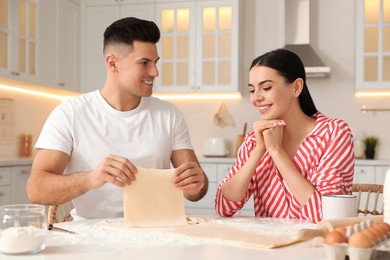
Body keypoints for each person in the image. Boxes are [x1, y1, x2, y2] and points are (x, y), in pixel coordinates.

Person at [26, 17, 208, 220]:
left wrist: (197, 185)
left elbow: (196, 192)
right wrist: (91, 178)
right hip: (90, 237)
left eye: (155, 63)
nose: (155, 72)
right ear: (112, 63)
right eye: (144, 63)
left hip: (156, 233)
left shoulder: (169, 115)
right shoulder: (69, 114)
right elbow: (36, 189)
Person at [215, 49, 354, 223]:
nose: (256, 98)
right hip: (271, 246)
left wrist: (276, 151)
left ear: (296, 87)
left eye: (266, 87)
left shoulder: (334, 133)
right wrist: (259, 150)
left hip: (316, 245)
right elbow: (224, 206)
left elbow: (324, 215)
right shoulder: (254, 140)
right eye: (252, 90)